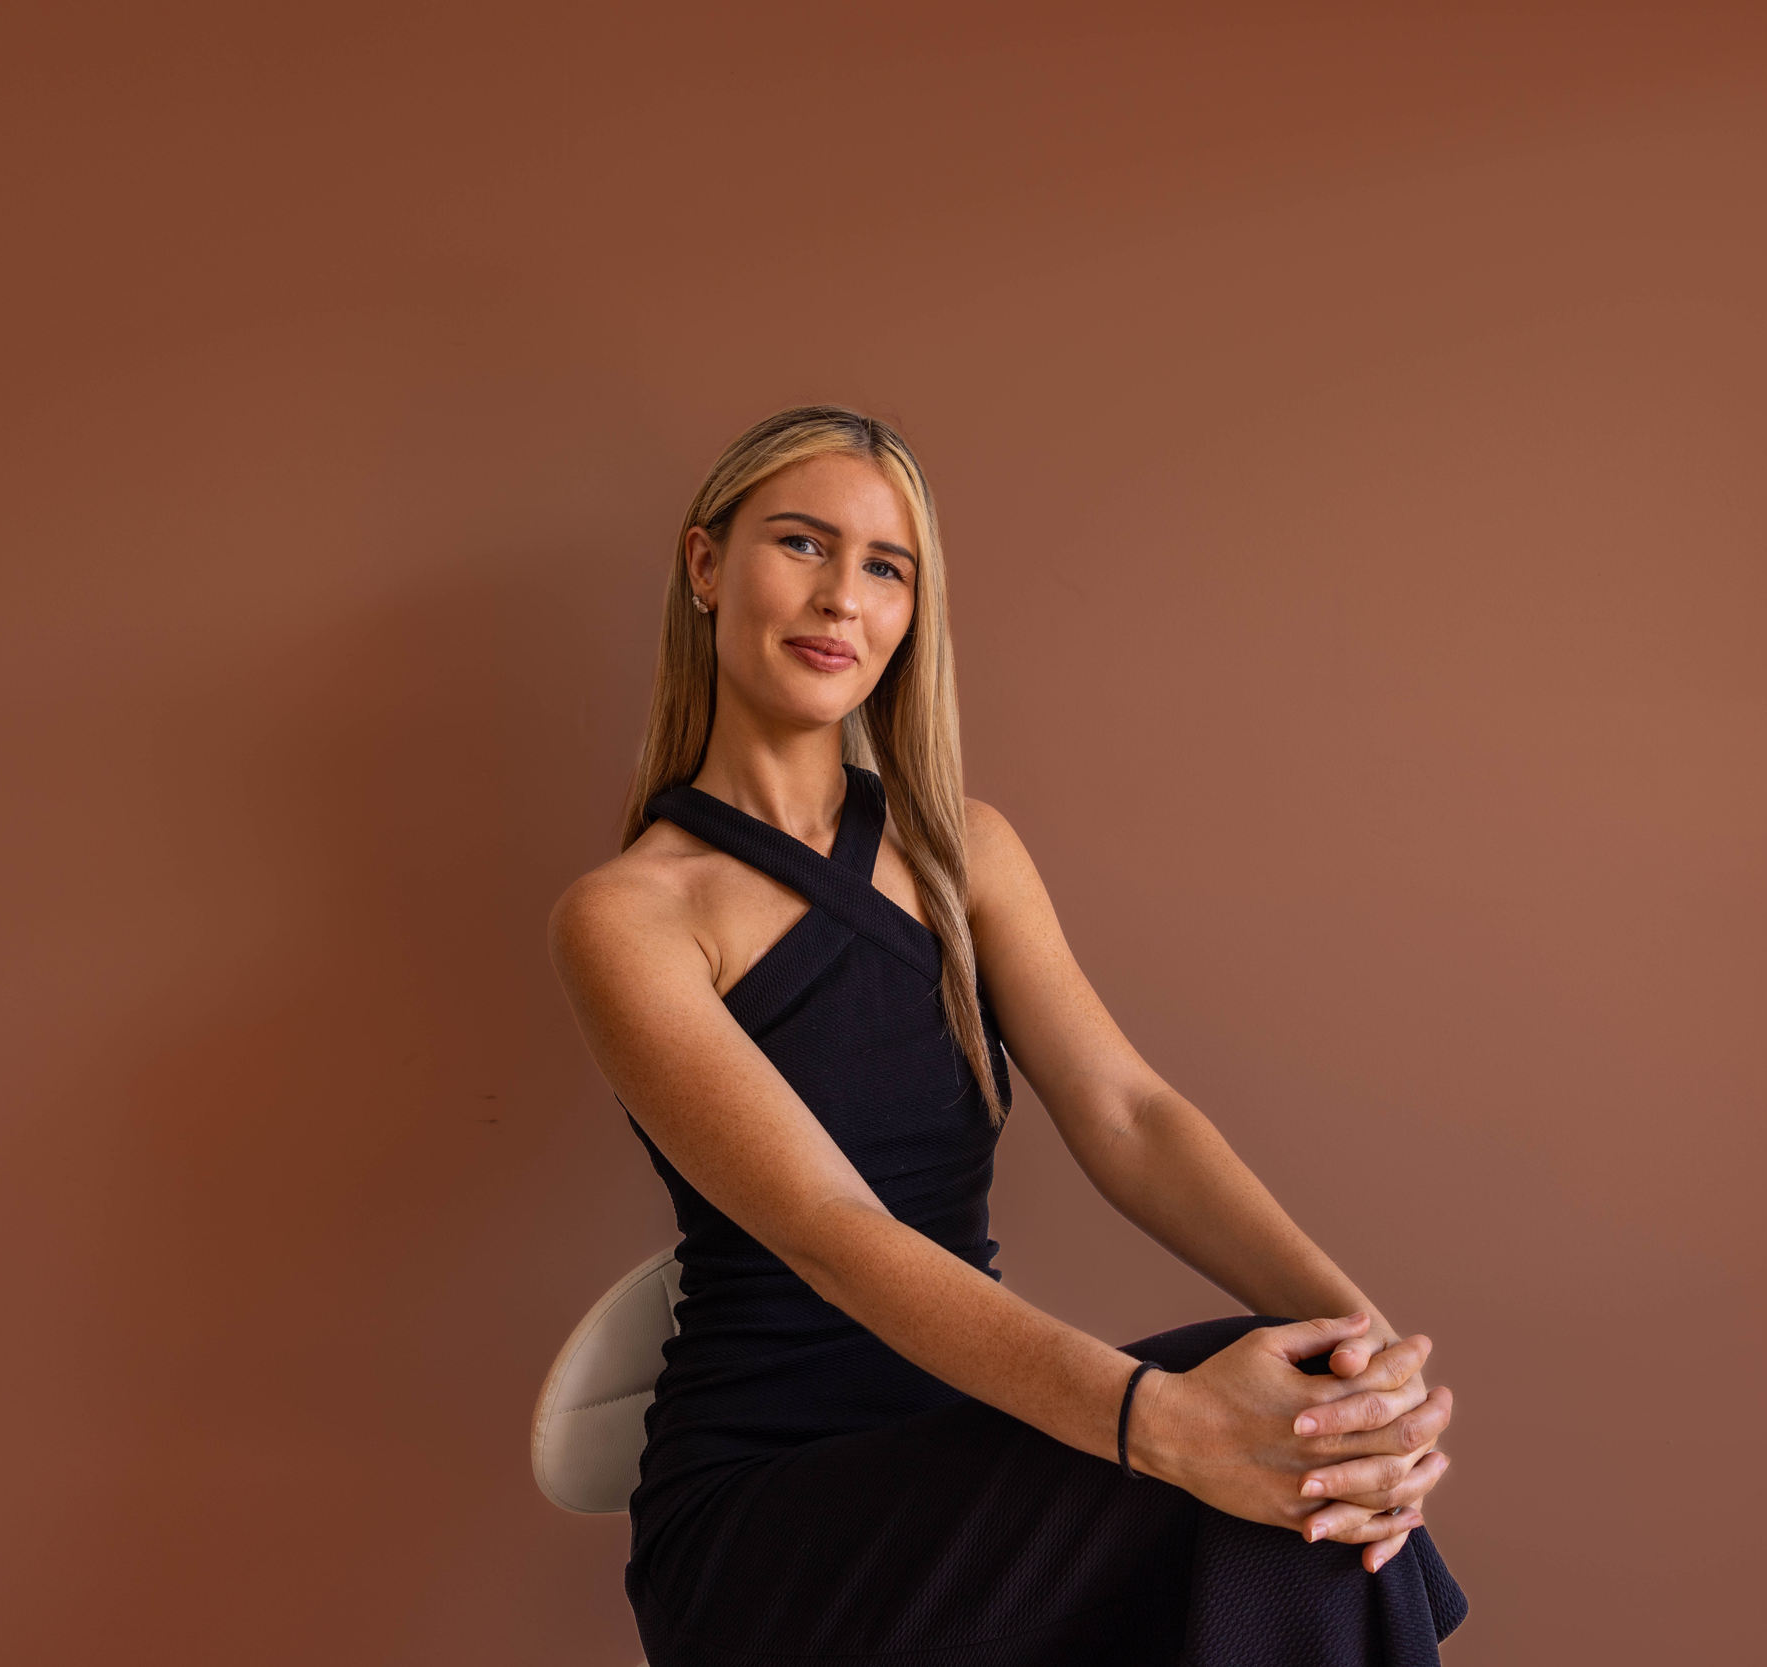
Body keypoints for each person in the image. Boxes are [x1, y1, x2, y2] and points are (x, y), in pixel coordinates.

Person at [548, 406, 1467, 1666]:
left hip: (980, 1445)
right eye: (802, 545)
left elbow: (1128, 1115)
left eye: (885, 567)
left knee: (1300, 1410)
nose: (840, 599)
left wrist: (1370, 1363)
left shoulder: (962, 852)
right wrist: (1161, 1422)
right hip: (772, 1519)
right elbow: (835, 1231)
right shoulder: (628, 916)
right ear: (706, 566)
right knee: (1255, 1431)